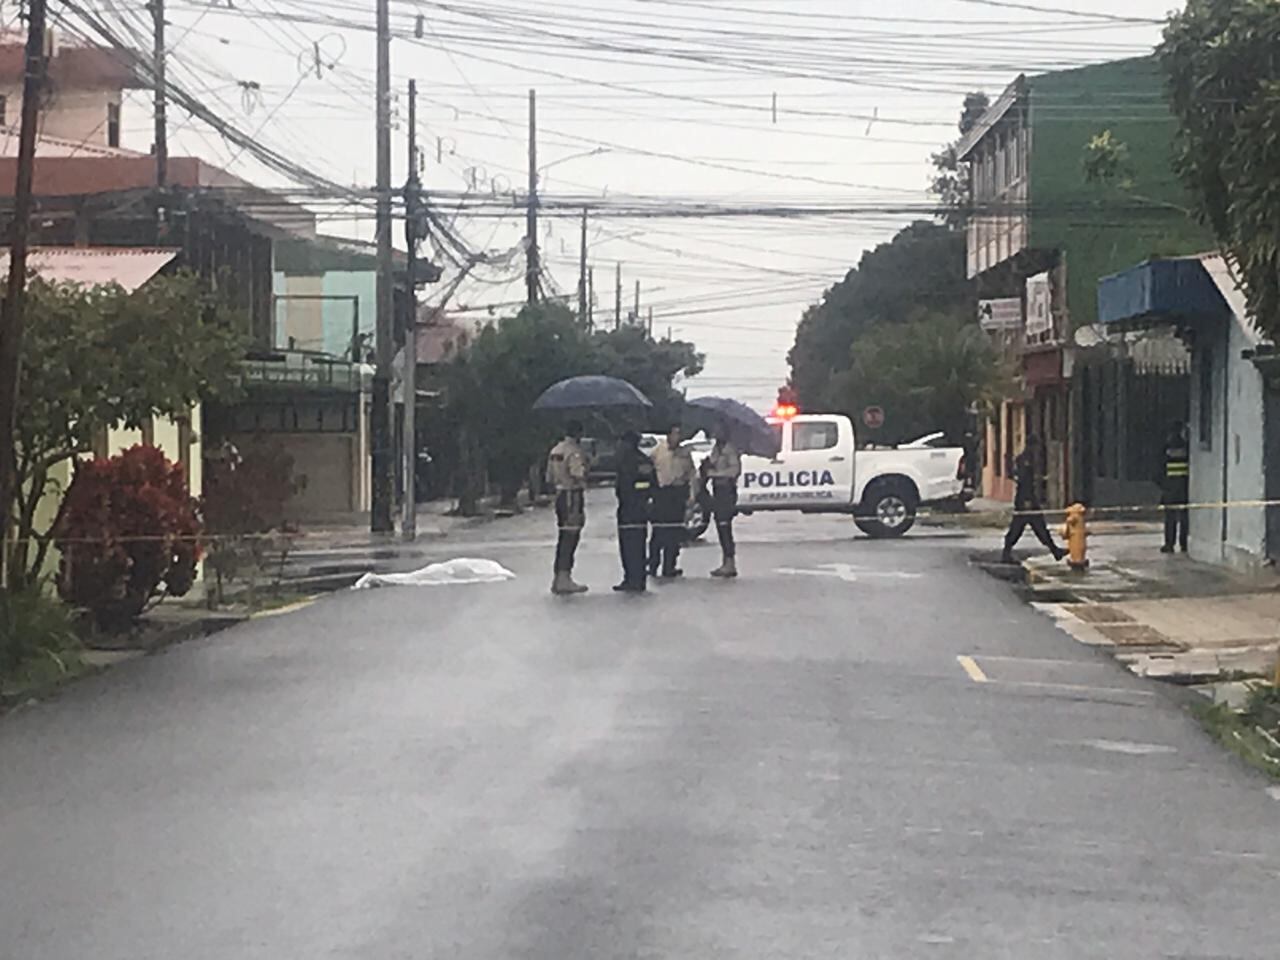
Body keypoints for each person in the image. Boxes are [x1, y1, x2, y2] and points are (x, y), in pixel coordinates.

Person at [1001, 434, 1066, 564]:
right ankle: (1006, 553)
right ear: (1032, 446)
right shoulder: (1026, 460)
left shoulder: (1025, 458)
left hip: (1027, 497)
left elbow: (1019, 477)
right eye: (1036, 446)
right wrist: (1027, 501)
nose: (1037, 449)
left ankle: (1054, 550)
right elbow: (1024, 480)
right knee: (1019, 528)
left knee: (1037, 526)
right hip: (1026, 499)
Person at [545, 420, 589, 595]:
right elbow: (577, 473)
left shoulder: (556, 450)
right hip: (572, 495)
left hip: (559, 495)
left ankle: (558, 578)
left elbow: (548, 476)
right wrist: (587, 467)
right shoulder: (574, 452)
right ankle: (565, 578)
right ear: (578, 433)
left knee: (563, 536)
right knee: (571, 537)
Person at [649, 424, 696, 579]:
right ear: (668, 435)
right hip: (662, 494)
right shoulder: (658, 451)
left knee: (674, 532)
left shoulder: (684, 453)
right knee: (658, 532)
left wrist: (692, 496)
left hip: (677, 493)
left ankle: (670, 566)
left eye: (679, 434)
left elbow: (691, 475)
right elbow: (651, 470)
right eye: (675, 434)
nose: (678, 437)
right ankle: (653, 564)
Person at [613, 430, 656, 592]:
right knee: (626, 545)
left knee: (635, 545)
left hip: (636, 507)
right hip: (626, 507)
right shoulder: (624, 460)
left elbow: (648, 484)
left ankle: (637, 578)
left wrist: (634, 492)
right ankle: (629, 577)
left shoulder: (640, 461)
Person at [702, 422, 742, 578]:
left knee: (725, 525)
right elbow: (712, 464)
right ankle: (726, 561)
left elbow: (734, 470)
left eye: (717, 430)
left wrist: (715, 473)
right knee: (720, 525)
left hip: (726, 490)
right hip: (717, 489)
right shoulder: (717, 449)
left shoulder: (729, 449)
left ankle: (730, 562)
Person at [1161, 421, 1190, 554]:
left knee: (1170, 517)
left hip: (1170, 487)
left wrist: (1163, 485)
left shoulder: (1166, 448)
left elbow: (1158, 469)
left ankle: (1169, 544)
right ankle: (1184, 543)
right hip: (1184, 485)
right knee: (1184, 516)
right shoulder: (1187, 447)